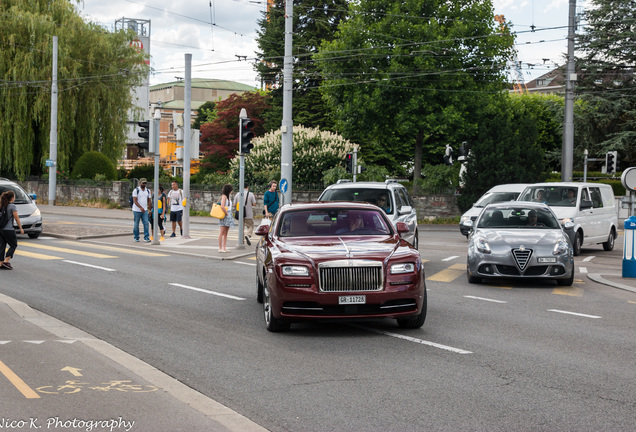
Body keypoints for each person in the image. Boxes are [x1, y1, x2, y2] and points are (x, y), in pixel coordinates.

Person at [0, 191, 23, 270]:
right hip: (9, 229)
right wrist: (21, 228)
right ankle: (6, 261)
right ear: (12, 198)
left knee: (2, 246)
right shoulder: (12, 206)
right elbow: (16, 218)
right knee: (13, 245)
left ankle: (0, 263)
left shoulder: (2, 205)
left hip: (1, 229)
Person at [132, 178, 152, 243]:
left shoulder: (148, 191)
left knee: (146, 223)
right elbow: (135, 200)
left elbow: (149, 200)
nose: (144, 184)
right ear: (140, 183)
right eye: (143, 183)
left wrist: (150, 209)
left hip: (145, 210)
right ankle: (136, 237)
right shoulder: (136, 190)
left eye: (145, 183)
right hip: (137, 210)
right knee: (136, 224)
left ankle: (146, 237)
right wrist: (140, 207)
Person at [218, 184, 234, 253]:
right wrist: (227, 213)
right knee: (222, 232)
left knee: (226, 233)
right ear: (229, 190)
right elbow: (222, 206)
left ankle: (224, 247)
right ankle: (220, 248)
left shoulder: (228, 197)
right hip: (225, 214)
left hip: (229, 214)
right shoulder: (224, 196)